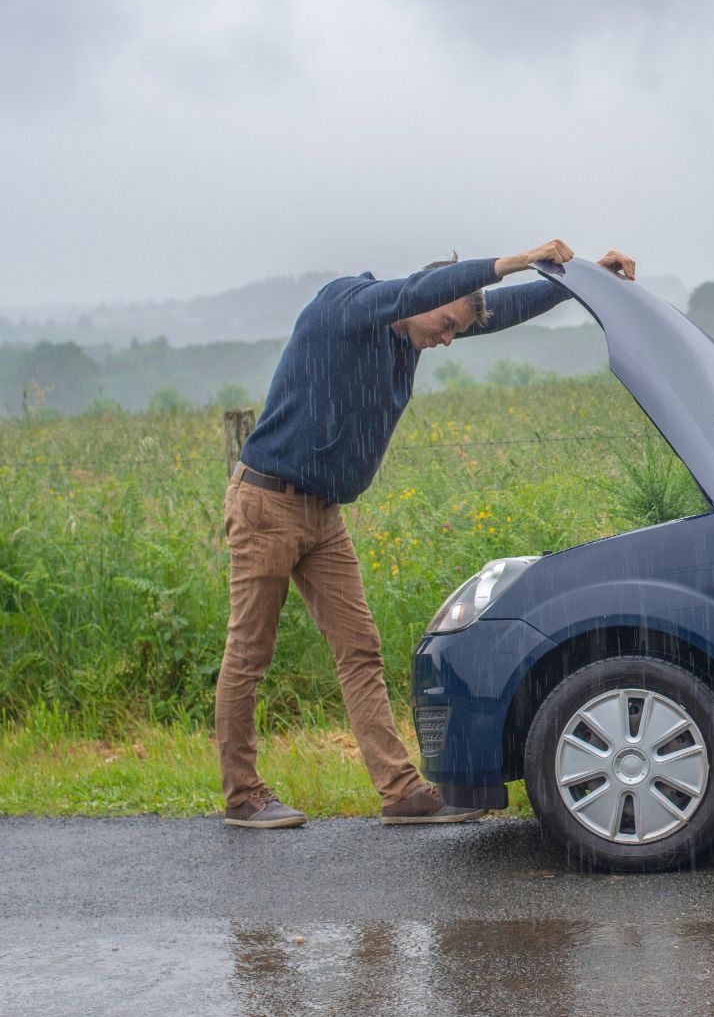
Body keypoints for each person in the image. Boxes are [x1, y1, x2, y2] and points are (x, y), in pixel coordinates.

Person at [217, 239, 635, 829]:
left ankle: (401, 792)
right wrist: (518, 258)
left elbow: (498, 313)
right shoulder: (346, 305)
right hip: (267, 503)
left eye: (454, 332)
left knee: (359, 650)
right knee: (249, 655)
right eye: (444, 325)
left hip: (323, 514)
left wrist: (581, 282)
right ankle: (243, 796)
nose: (445, 340)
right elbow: (416, 293)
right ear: (427, 298)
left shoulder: (413, 333)